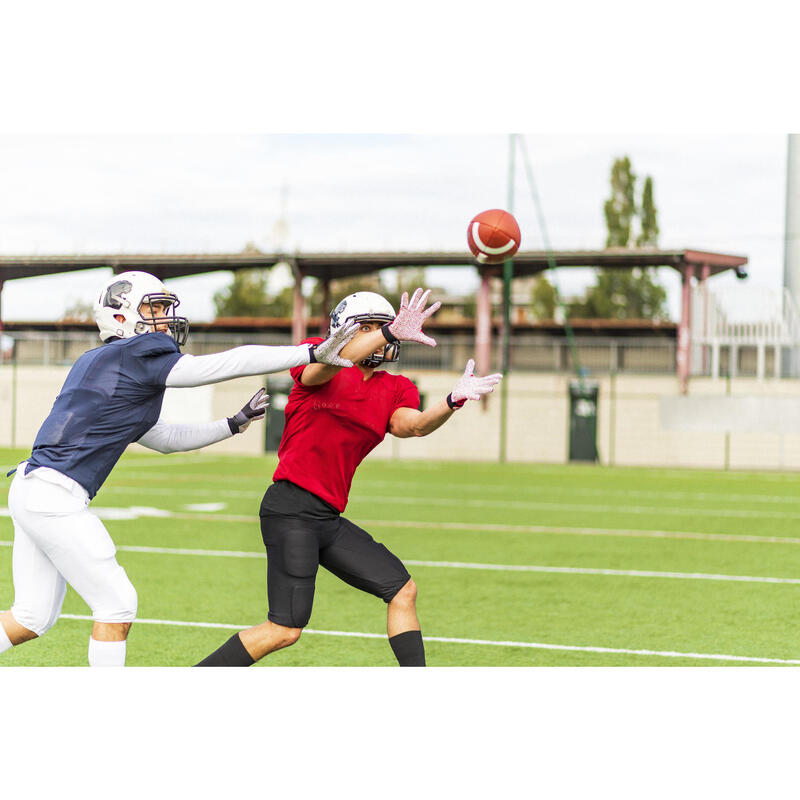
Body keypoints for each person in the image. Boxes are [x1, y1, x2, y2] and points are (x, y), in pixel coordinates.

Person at [0, 270, 358, 667]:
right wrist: (308, 353)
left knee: (29, 617)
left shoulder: (99, 362)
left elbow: (163, 438)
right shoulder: (135, 356)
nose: (165, 319)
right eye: (154, 308)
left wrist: (232, 424)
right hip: (55, 496)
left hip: (33, 488)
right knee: (117, 605)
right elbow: (223, 365)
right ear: (119, 317)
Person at [196, 288, 502, 667]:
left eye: (383, 327)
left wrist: (451, 402)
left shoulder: (395, 387)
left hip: (326, 517)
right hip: (290, 508)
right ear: (344, 329)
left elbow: (415, 426)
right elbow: (319, 367)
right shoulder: (317, 355)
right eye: (368, 327)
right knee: (284, 629)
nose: (379, 334)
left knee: (402, 590)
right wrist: (387, 333)